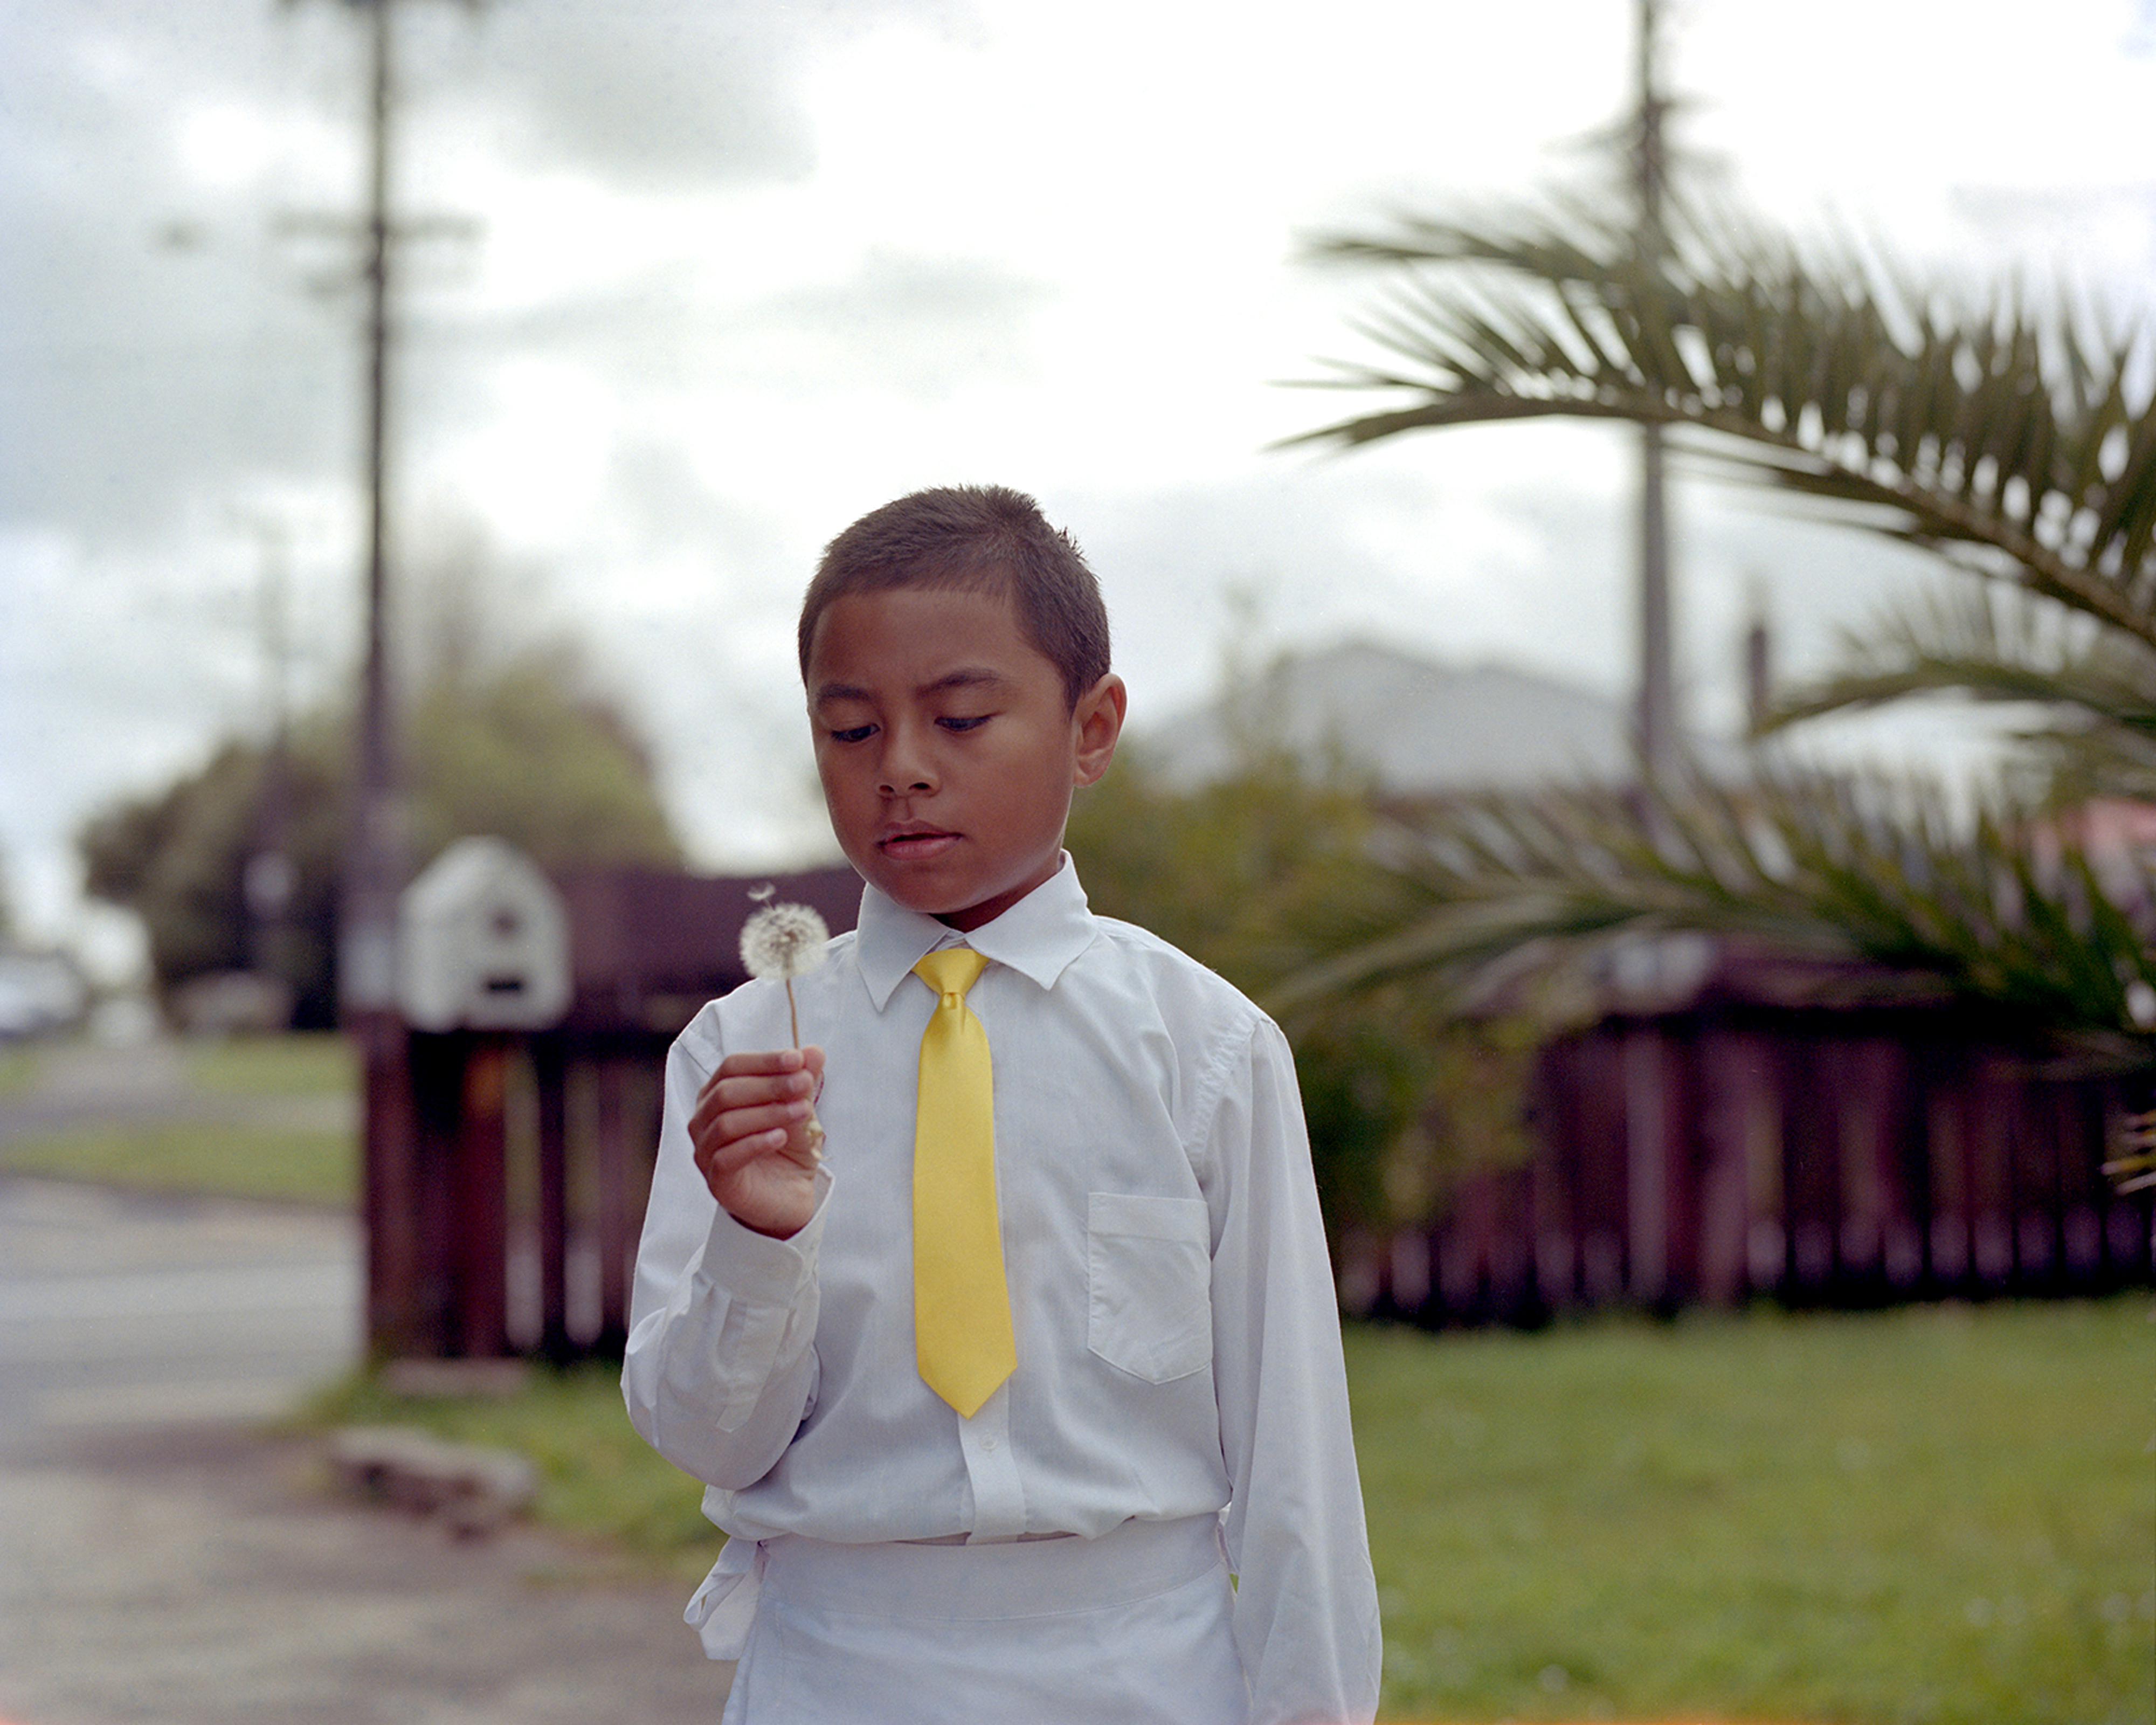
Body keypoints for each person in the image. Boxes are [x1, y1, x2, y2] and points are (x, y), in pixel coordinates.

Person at [623, 484, 1382, 1724]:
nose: (903, 771)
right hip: (836, 1670)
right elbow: (709, 1438)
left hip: (1144, 1668)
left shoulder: (1206, 1050)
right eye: (850, 731)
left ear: (1091, 729)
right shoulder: (744, 1056)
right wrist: (757, 1238)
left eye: (962, 718)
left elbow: (1294, 1457)